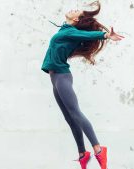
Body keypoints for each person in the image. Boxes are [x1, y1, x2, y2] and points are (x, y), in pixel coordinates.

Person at [40, 1, 124, 169]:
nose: (73, 8)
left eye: (76, 11)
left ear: (77, 19)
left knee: (75, 113)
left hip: (62, 77)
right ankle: (82, 154)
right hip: (55, 78)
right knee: (69, 118)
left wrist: (105, 35)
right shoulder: (65, 30)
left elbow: (87, 36)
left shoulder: (72, 31)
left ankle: (99, 150)